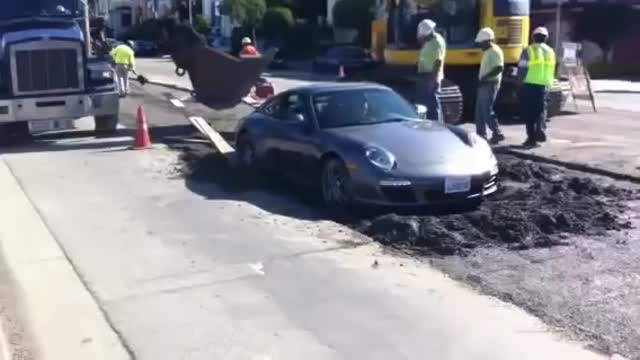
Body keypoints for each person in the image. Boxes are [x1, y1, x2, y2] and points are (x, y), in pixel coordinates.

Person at [517, 26, 556, 148]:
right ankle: (540, 129)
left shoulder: (528, 50)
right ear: (546, 38)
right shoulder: (550, 51)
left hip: (529, 84)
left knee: (529, 113)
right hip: (543, 85)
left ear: (533, 37)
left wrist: (519, 82)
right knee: (540, 111)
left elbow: (522, 68)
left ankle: (531, 139)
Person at [474, 27, 505, 144]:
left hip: (490, 84)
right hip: (484, 84)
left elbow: (499, 68)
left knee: (486, 111)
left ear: (487, 41)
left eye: (481, 43)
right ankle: (481, 135)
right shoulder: (488, 51)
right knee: (479, 112)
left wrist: (485, 78)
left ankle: (497, 133)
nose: (480, 45)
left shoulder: (495, 51)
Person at [416, 19, 446, 122]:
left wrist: (435, 79)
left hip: (431, 76)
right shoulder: (430, 41)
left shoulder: (437, 42)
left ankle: (437, 125)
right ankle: (430, 123)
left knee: (433, 103)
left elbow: (438, 61)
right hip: (425, 75)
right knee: (427, 102)